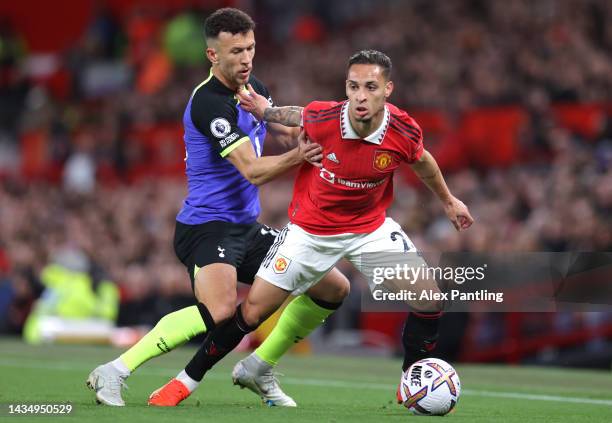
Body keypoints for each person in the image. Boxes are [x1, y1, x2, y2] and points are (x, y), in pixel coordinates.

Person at [153, 48, 474, 406]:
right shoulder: (327, 117)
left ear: (388, 89)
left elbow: (423, 160)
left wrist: (448, 200)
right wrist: (264, 111)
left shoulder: (402, 129)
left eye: (370, 87)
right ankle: (185, 381)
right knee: (252, 313)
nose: (360, 96)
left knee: (428, 298)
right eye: (353, 87)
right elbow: (294, 115)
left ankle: (410, 380)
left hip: (370, 228)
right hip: (309, 232)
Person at [86, 8, 349, 407]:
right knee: (221, 312)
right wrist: (301, 155)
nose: (246, 59)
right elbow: (254, 171)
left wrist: (332, 125)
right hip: (206, 228)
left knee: (334, 287)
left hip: (246, 227)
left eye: (251, 48)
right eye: (236, 51)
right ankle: (114, 371)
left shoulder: (250, 87)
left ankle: (260, 366)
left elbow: (285, 127)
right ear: (213, 56)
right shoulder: (209, 103)